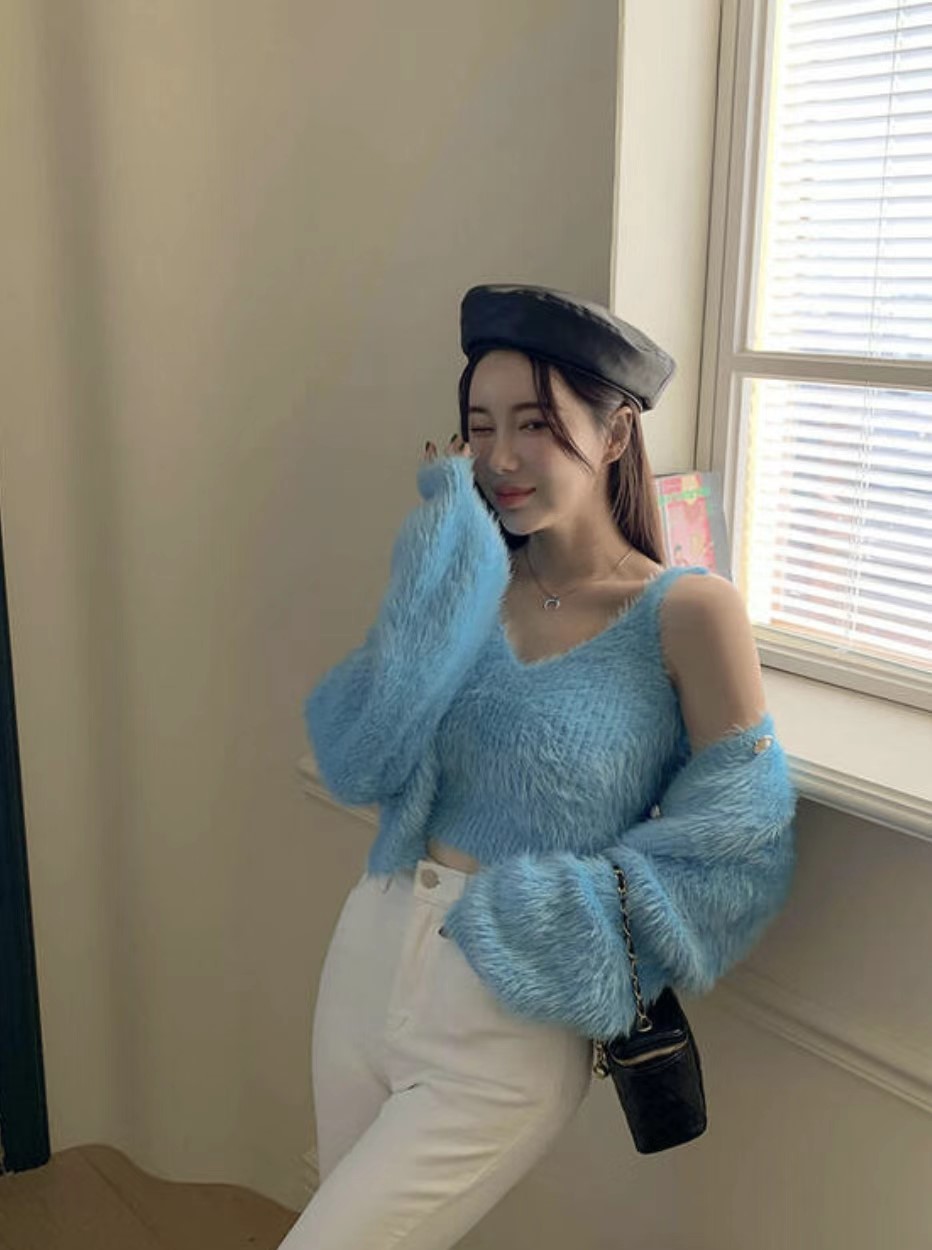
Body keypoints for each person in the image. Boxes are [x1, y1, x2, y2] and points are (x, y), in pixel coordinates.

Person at [284, 283, 798, 1248]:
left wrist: (562, 918)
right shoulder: (471, 581)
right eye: (480, 427)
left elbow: (742, 847)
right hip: (369, 955)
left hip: (505, 1011)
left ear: (616, 433)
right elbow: (359, 757)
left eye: (534, 423)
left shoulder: (690, 614)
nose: (501, 457)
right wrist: (440, 561)